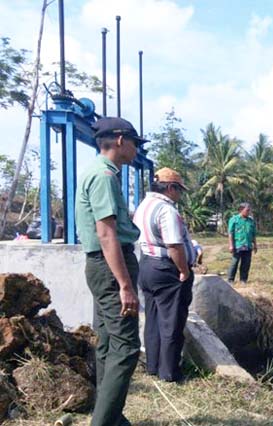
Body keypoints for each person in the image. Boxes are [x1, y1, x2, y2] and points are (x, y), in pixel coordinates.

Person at [75, 116, 148, 426]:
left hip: (101, 266)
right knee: (127, 347)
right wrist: (125, 285)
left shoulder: (97, 171)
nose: (136, 149)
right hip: (110, 268)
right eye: (134, 143)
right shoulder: (104, 176)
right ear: (120, 140)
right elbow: (106, 234)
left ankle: (111, 417)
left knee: (107, 343)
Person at [133, 167, 195, 383]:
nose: (180, 195)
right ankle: (169, 373)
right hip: (167, 269)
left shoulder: (144, 205)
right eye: (179, 190)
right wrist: (184, 271)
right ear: (170, 188)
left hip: (147, 265)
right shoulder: (167, 210)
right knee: (171, 322)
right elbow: (174, 246)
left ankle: (153, 366)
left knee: (153, 319)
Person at [227, 202, 257, 286]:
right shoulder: (234, 219)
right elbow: (230, 233)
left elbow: (253, 234)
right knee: (235, 262)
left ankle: (243, 280)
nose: (248, 212)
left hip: (248, 245)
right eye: (247, 210)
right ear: (241, 210)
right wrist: (231, 245)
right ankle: (230, 280)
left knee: (246, 263)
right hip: (238, 245)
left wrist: (255, 245)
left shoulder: (250, 221)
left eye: (249, 210)